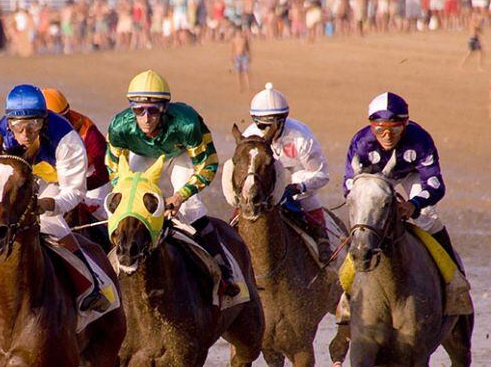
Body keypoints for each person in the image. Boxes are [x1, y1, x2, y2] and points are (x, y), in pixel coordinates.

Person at [0, 84, 111, 312]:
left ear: (44, 120)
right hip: (20, 177)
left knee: (49, 221)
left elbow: (75, 190)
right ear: (8, 122)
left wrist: (51, 204)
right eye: (18, 126)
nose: (25, 134)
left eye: (33, 125)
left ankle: (92, 285)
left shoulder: (66, 139)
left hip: (56, 180)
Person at [105, 69, 238, 295]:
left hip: (180, 154)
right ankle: (110, 271)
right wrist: (126, 193)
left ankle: (224, 269)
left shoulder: (186, 124)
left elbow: (208, 165)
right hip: (143, 155)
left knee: (190, 207)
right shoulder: (119, 127)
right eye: (138, 110)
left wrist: (179, 196)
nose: (146, 118)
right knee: (123, 204)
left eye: (153, 110)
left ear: (164, 109)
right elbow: (114, 168)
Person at [342, 91, 471, 313]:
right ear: (371, 126)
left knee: (428, 218)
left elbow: (435, 185)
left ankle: (454, 281)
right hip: (373, 179)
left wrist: (413, 205)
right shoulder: (361, 143)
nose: (387, 136)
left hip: (411, 175)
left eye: (395, 129)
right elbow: (349, 186)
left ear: (406, 124)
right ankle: (346, 293)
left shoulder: (420, 140)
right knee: (364, 223)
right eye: (380, 129)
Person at [243, 82, 333, 263]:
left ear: (282, 121)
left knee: (300, 180)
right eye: (261, 126)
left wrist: (300, 186)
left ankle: (321, 238)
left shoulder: (301, 137)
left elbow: (322, 174)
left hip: (295, 179)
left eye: (270, 126)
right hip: (264, 180)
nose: (265, 132)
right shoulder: (250, 134)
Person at [41, 87, 110, 220]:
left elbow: (103, 175)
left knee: (97, 212)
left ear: (68, 114)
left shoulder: (91, 135)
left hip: (90, 176)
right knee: (43, 211)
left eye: (62, 119)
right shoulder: (30, 132)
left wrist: (79, 193)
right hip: (60, 178)